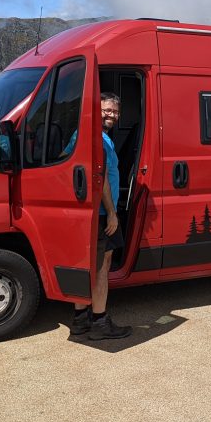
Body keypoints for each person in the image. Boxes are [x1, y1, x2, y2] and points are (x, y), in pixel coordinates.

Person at [70, 92, 132, 340]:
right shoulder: (98, 140)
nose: (112, 115)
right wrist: (113, 214)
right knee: (101, 268)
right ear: (96, 110)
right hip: (103, 214)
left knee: (86, 265)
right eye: (107, 110)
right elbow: (102, 179)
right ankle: (100, 323)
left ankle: (80, 319)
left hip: (92, 212)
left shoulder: (89, 136)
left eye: (115, 111)